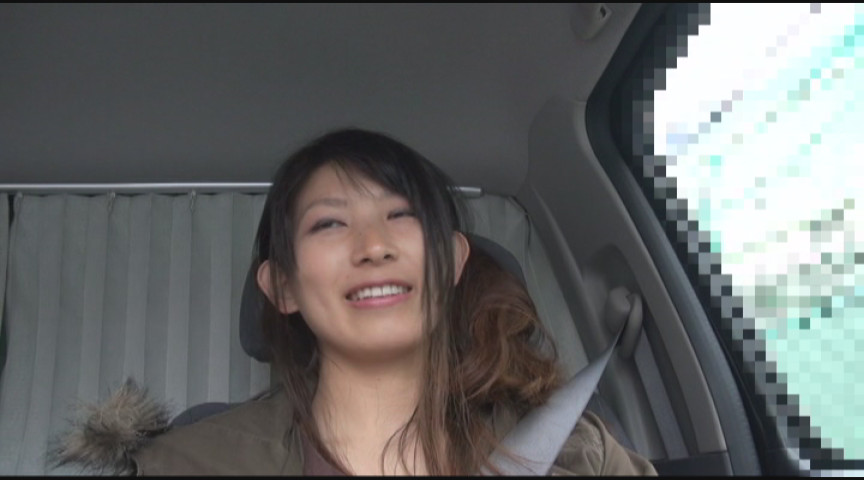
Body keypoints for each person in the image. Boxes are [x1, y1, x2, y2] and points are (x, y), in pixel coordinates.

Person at [53, 128, 657, 476]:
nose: (374, 246)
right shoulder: (188, 465)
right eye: (330, 224)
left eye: (402, 215)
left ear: (452, 262)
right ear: (282, 286)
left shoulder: (576, 455)